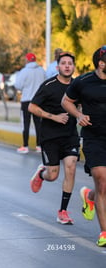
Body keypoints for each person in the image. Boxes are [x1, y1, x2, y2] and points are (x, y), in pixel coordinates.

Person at [61, 45, 106, 246]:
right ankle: (104, 232)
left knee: (103, 186)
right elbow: (66, 101)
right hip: (94, 137)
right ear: (101, 63)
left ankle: (90, 196)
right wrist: (79, 115)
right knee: (102, 180)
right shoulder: (84, 82)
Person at [28, 52, 79, 224]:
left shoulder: (77, 86)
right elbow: (32, 107)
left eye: (70, 63)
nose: (67, 66)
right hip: (50, 136)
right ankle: (42, 174)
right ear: (58, 67)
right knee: (53, 175)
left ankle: (63, 211)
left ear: (73, 67)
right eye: (63, 63)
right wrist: (54, 117)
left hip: (70, 135)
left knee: (71, 168)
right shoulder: (49, 85)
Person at [15, 52, 46, 154]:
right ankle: (39, 146)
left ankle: (25, 146)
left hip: (27, 101)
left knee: (26, 123)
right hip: (39, 101)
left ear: (27, 60)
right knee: (39, 124)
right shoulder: (41, 71)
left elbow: (18, 85)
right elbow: (45, 84)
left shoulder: (24, 71)